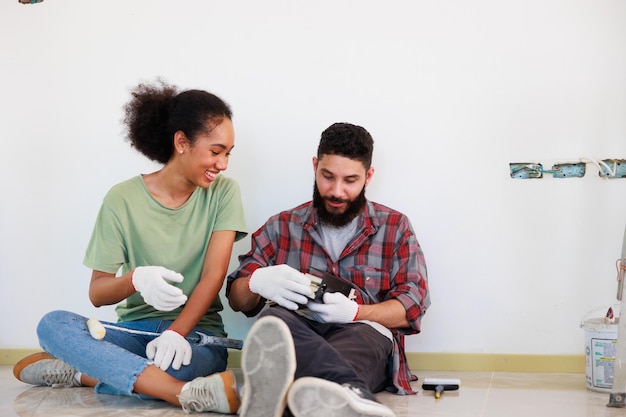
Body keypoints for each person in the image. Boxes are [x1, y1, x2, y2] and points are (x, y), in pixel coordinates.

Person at [12, 79, 247, 414]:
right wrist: (134, 279)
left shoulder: (225, 193)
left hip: (197, 335)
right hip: (131, 331)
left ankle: (84, 372)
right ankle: (186, 395)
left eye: (227, 154)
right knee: (53, 325)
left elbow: (213, 275)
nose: (222, 164)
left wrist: (177, 333)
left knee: (179, 365)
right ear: (181, 141)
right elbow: (98, 293)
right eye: (215, 151)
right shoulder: (121, 199)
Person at [226, 122, 431, 417]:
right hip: (298, 328)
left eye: (350, 180)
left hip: (363, 334)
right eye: (327, 176)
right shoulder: (281, 226)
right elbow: (236, 300)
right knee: (274, 321)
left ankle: (269, 395)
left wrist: (356, 314)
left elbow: (412, 306)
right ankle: (346, 396)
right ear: (314, 166)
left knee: (357, 343)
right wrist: (256, 281)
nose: (337, 191)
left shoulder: (395, 227)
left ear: (368, 176)